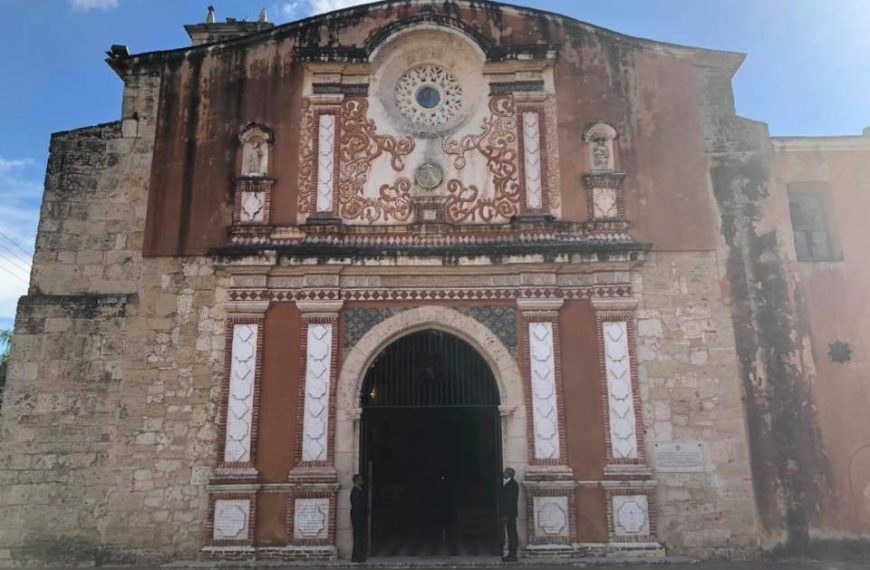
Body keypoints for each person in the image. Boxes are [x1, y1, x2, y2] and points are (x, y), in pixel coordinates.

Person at [499, 467, 519, 562]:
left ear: (509, 474)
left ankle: (512, 555)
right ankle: (511, 554)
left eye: (506, 472)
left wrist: (506, 514)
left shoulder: (512, 484)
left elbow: (510, 501)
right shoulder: (509, 483)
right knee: (511, 533)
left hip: (509, 514)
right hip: (509, 513)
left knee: (512, 534)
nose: (504, 473)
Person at [350, 474, 368, 562]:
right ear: (356, 481)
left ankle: (359, 555)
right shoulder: (355, 491)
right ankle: (356, 556)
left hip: (359, 517)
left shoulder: (359, 490)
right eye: (360, 480)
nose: (362, 481)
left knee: (360, 537)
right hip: (357, 518)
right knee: (357, 537)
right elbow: (357, 505)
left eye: (362, 479)